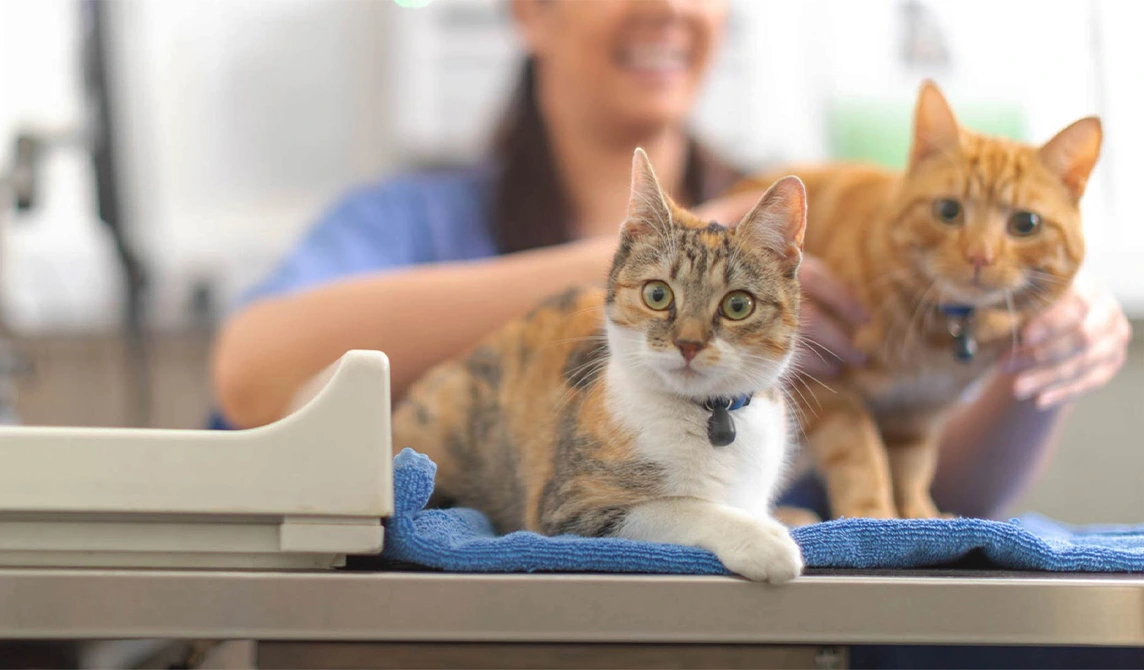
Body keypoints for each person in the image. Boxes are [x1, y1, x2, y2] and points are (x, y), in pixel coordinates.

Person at [211, 0, 1131, 521]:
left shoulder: (793, 226)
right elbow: (252, 380)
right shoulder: (411, 220)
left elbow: (940, 505)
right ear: (529, 11)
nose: (668, 10)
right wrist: (650, 264)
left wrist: (1038, 360)